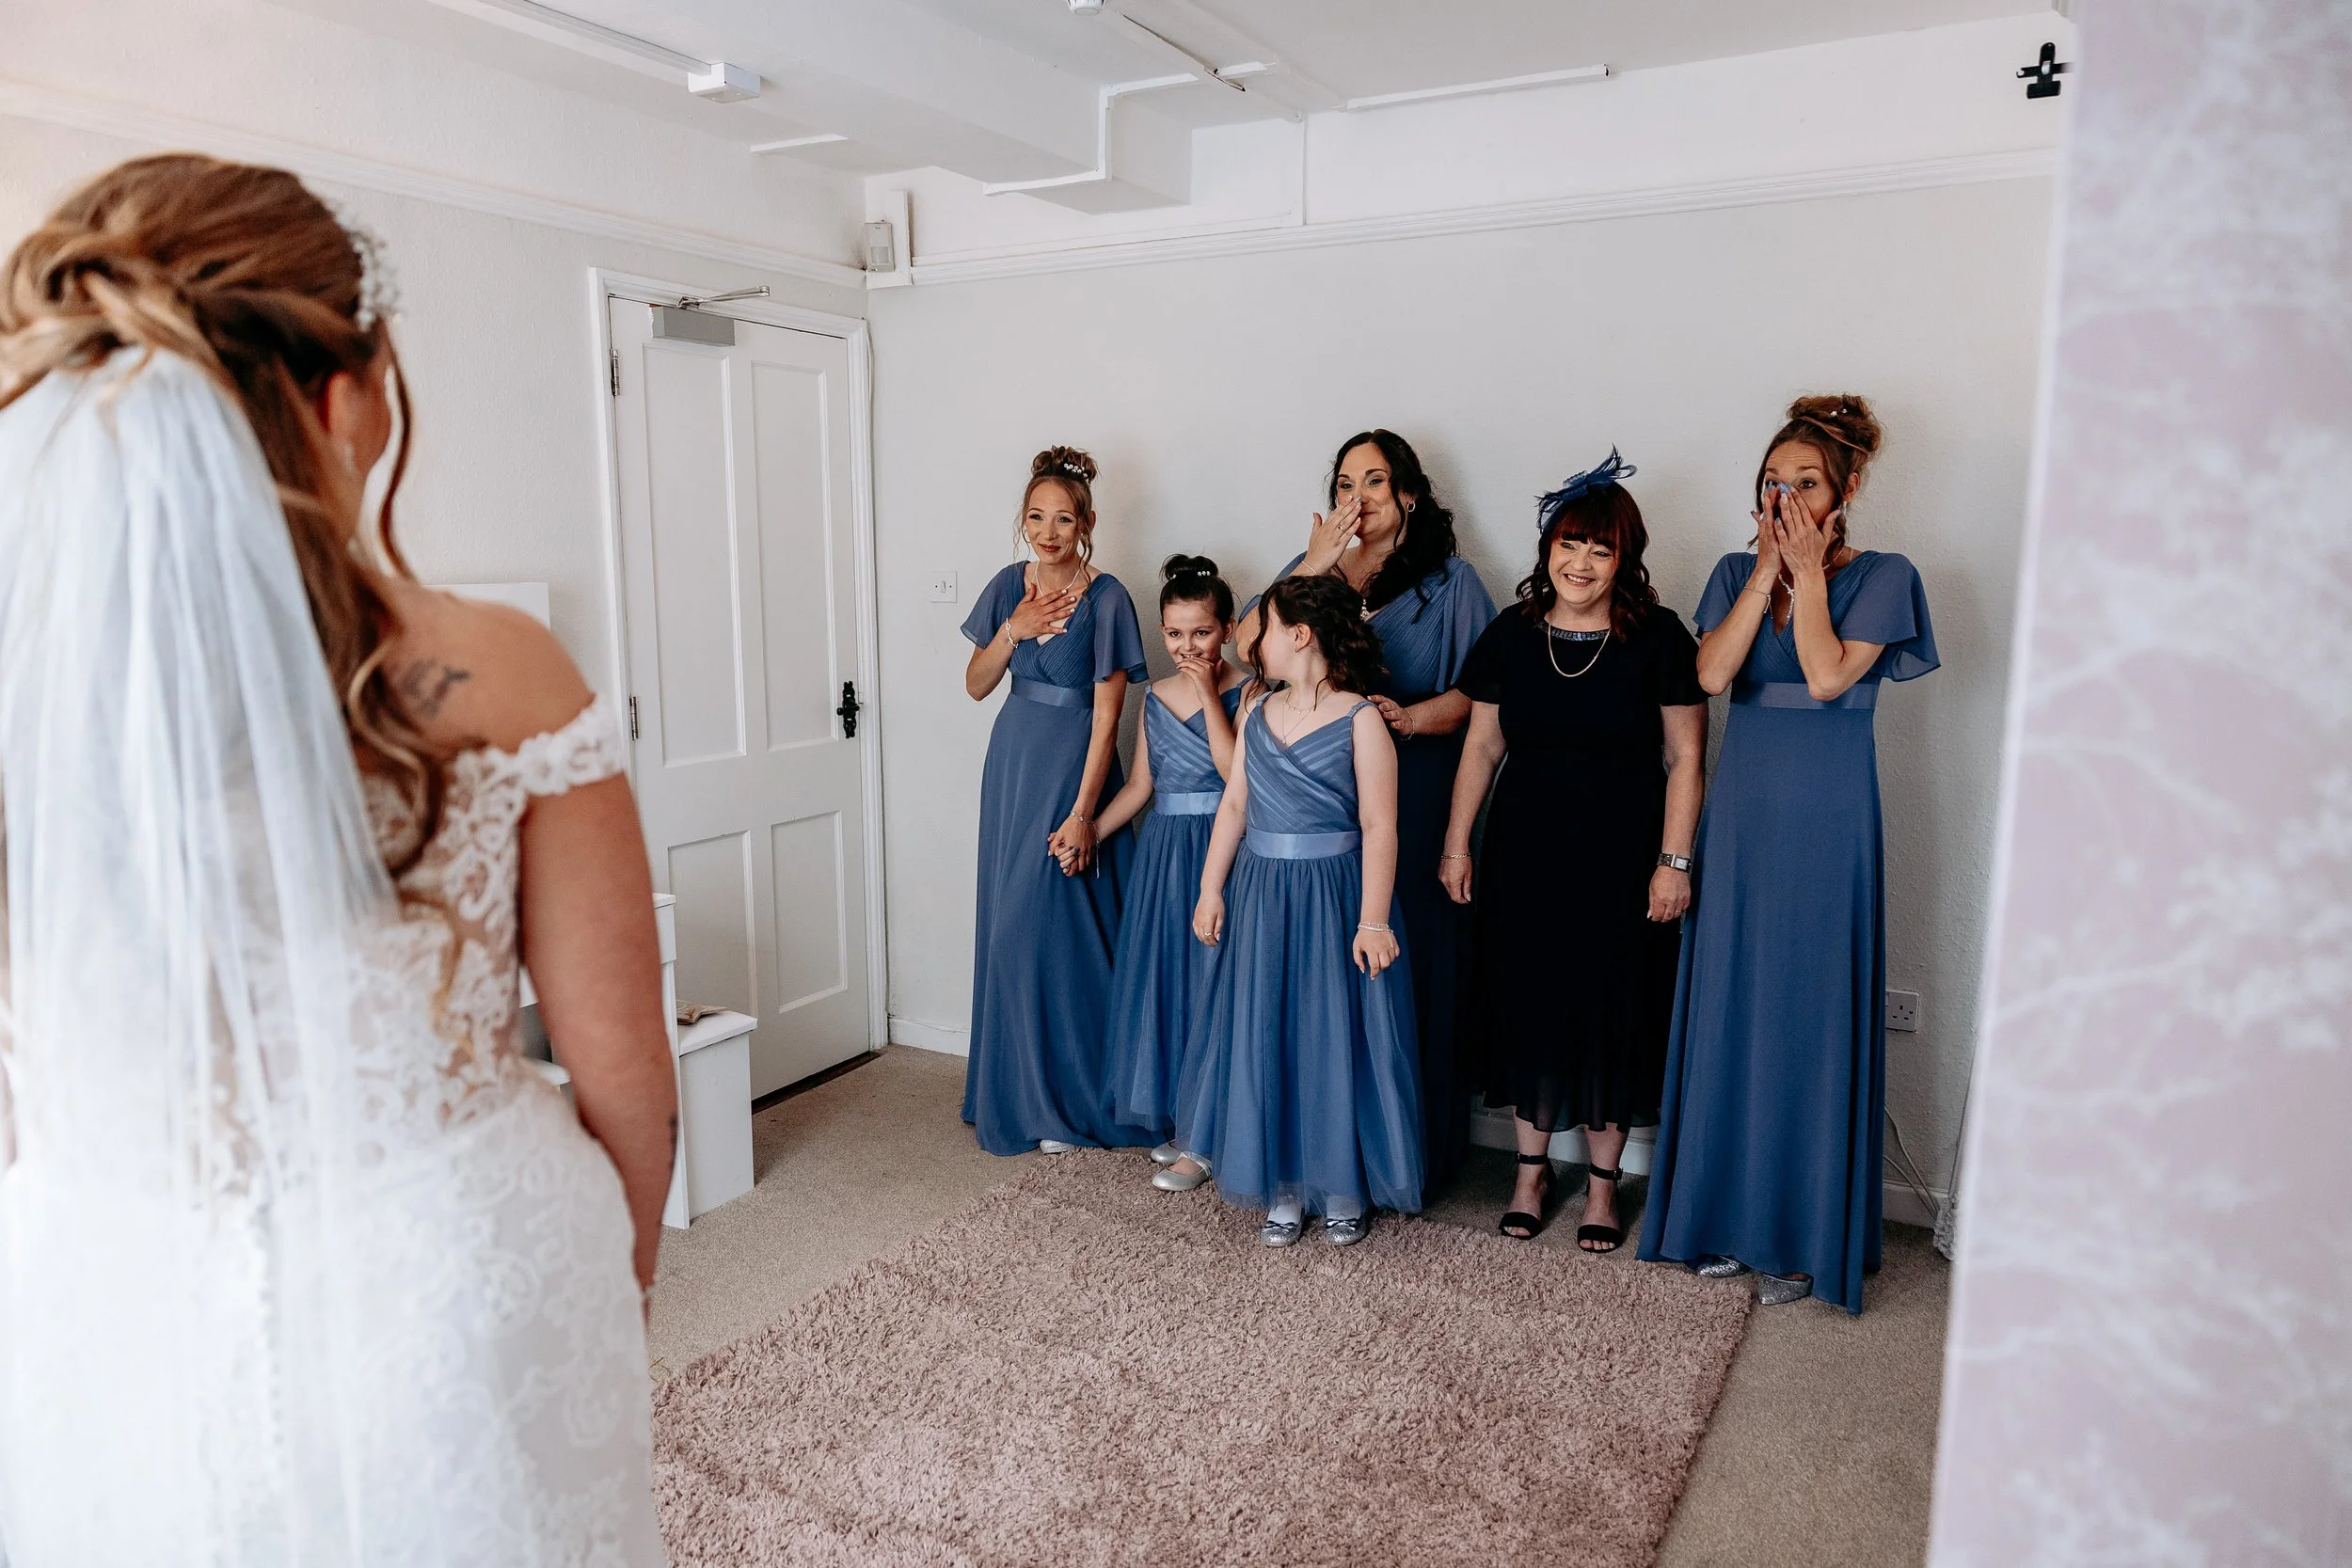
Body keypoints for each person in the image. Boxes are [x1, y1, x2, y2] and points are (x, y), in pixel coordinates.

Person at [0, 154, 675, 1562]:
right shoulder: (499, 669)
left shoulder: (30, 702)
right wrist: (616, 1287)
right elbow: (626, 1080)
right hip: (455, 1274)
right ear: (345, 391)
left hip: (114, 1283)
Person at [1638, 395, 1940, 1312]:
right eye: (1772, 482)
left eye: (1804, 481)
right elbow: (1711, 674)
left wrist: (1807, 576)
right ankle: (1720, 1221)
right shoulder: (1735, 568)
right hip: (1743, 815)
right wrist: (1767, 566)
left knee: (1806, 1012)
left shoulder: (1887, 574)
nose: (1786, 495)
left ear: (1846, 489)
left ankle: (1799, 1239)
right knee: (1733, 1005)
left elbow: (1821, 674)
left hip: (1827, 814)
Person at [1442, 451, 1707, 1249]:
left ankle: (1601, 1187)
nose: (1581, 561)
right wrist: (1457, 843)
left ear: (1624, 559)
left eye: (1600, 548)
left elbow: (1687, 756)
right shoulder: (1512, 635)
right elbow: (1482, 749)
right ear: (1547, 547)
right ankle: (1531, 1171)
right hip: (1523, 852)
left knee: (1609, 1013)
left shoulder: (1658, 636)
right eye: (1569, 543)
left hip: (1622, 861)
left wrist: (1675, 860)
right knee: (1528, 1005)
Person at [1235, 431, 1493, 1194]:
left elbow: (1484, 697)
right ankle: (1324, 1157)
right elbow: (1248, 652)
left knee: (1402, 968)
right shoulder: (1308, 577)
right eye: (1347, 482)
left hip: (1410, 789)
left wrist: (1407, 720)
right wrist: (1314, 562)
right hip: (1317, 812)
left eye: (1376, 481)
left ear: (1409, 494)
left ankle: (1403, 1154)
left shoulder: (1451, 583)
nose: (1361, 497)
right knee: (1323, 983)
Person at [1172, 574, 1422, 1247]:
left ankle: (1339, 1184)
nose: (1253, 644)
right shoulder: (1257, 712)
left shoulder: (1360, 718)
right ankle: (1284, 1182)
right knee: (1267, 1027)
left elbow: (1380, 824)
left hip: (1333, 894)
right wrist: (1210, 886)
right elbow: (1235, 805)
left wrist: (1373, 920)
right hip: (1262, 890)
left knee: (1329, 1032)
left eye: (1265, 630)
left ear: (1300, 635)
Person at [960, 447, 1155, 1155]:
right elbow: (977, 684)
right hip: (1012, 764)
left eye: (1063, 517)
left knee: (1058, 934)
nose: (1047, 530)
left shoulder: (1107, 599)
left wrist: (1082, 812)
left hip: (1073, 768)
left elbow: (1108, 718)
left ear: (1088, 522)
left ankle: (1070, 1098)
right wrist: (1013, 629)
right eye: (1036, 516)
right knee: (1009, 928)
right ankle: (1015, 1091)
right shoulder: (1008, 586)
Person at [1090, 556, 1248, 1170]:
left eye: (1201, 632)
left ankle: (1212, 1136)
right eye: (1175, 633)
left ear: (1228, 628)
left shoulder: (1249, 689)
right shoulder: (1154, 695)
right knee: (1173, 982)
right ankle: (1187, 1120)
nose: (1187, 646)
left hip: (1223, 845)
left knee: (1217, 982)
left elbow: (1238, 776)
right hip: (1164, 852)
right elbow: (1139, 786)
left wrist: (1210, 693)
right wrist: (1091, 832)